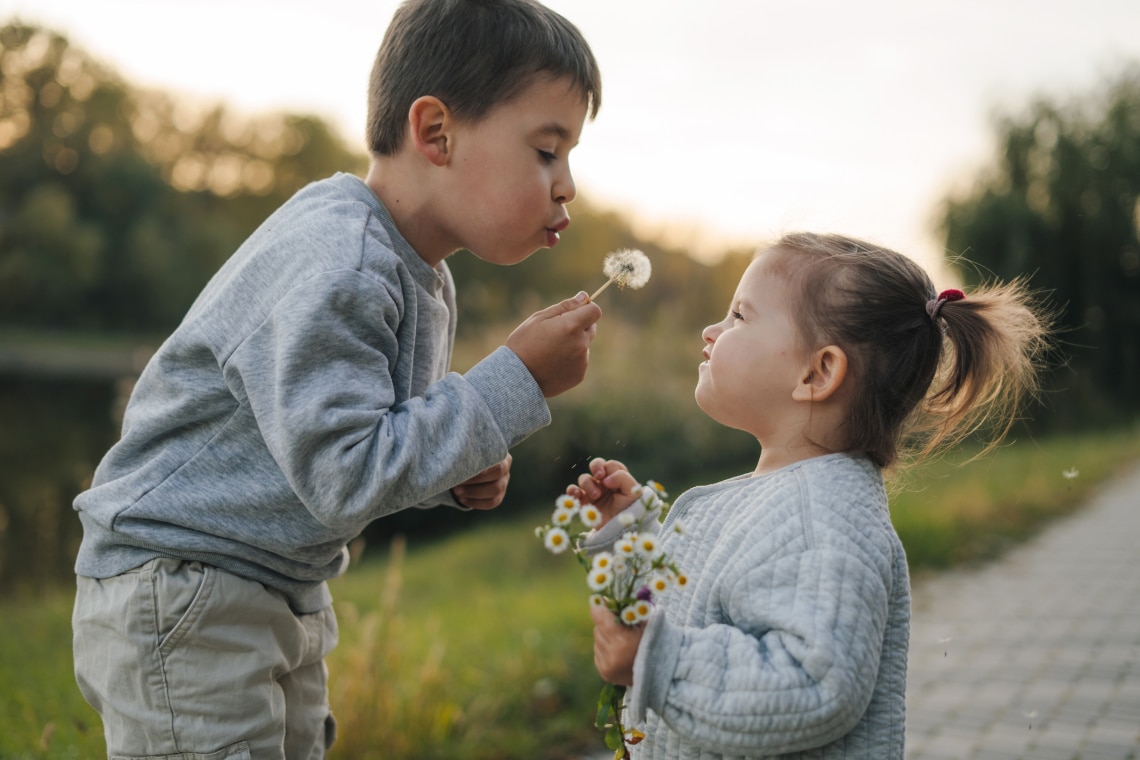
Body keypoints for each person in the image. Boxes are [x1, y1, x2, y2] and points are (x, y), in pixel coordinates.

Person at [71, 1, 603, 757]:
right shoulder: (341, 262)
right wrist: (511, 381)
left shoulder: (421, 275)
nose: (568, 186)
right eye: (547, 151)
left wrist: (451, 474)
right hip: (184, 582)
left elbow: (361, 449)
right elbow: (346, 474)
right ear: (437, 134)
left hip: (268, 583)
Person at [568, 232, 1050, 759]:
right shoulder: (783, 499)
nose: (711, 331)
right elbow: (694, 602)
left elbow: (813, 685)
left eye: (739, 317)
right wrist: (631, 536)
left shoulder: (822, 520)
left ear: (817, 373)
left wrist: (657, 661)